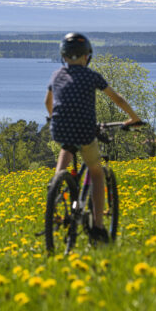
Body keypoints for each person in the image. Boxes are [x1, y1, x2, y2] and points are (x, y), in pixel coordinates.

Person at [45, 32, 141, 243]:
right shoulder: (91, 76)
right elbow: (117, 98)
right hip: (85, 131)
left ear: (63, 56)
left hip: (60, 128)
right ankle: (98, 228)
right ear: (87, 56)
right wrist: (133, 118)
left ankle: (56, 185)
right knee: (97, 173)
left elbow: (47, 102)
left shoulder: (57, 76)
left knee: (66, 147)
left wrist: (55, 118)